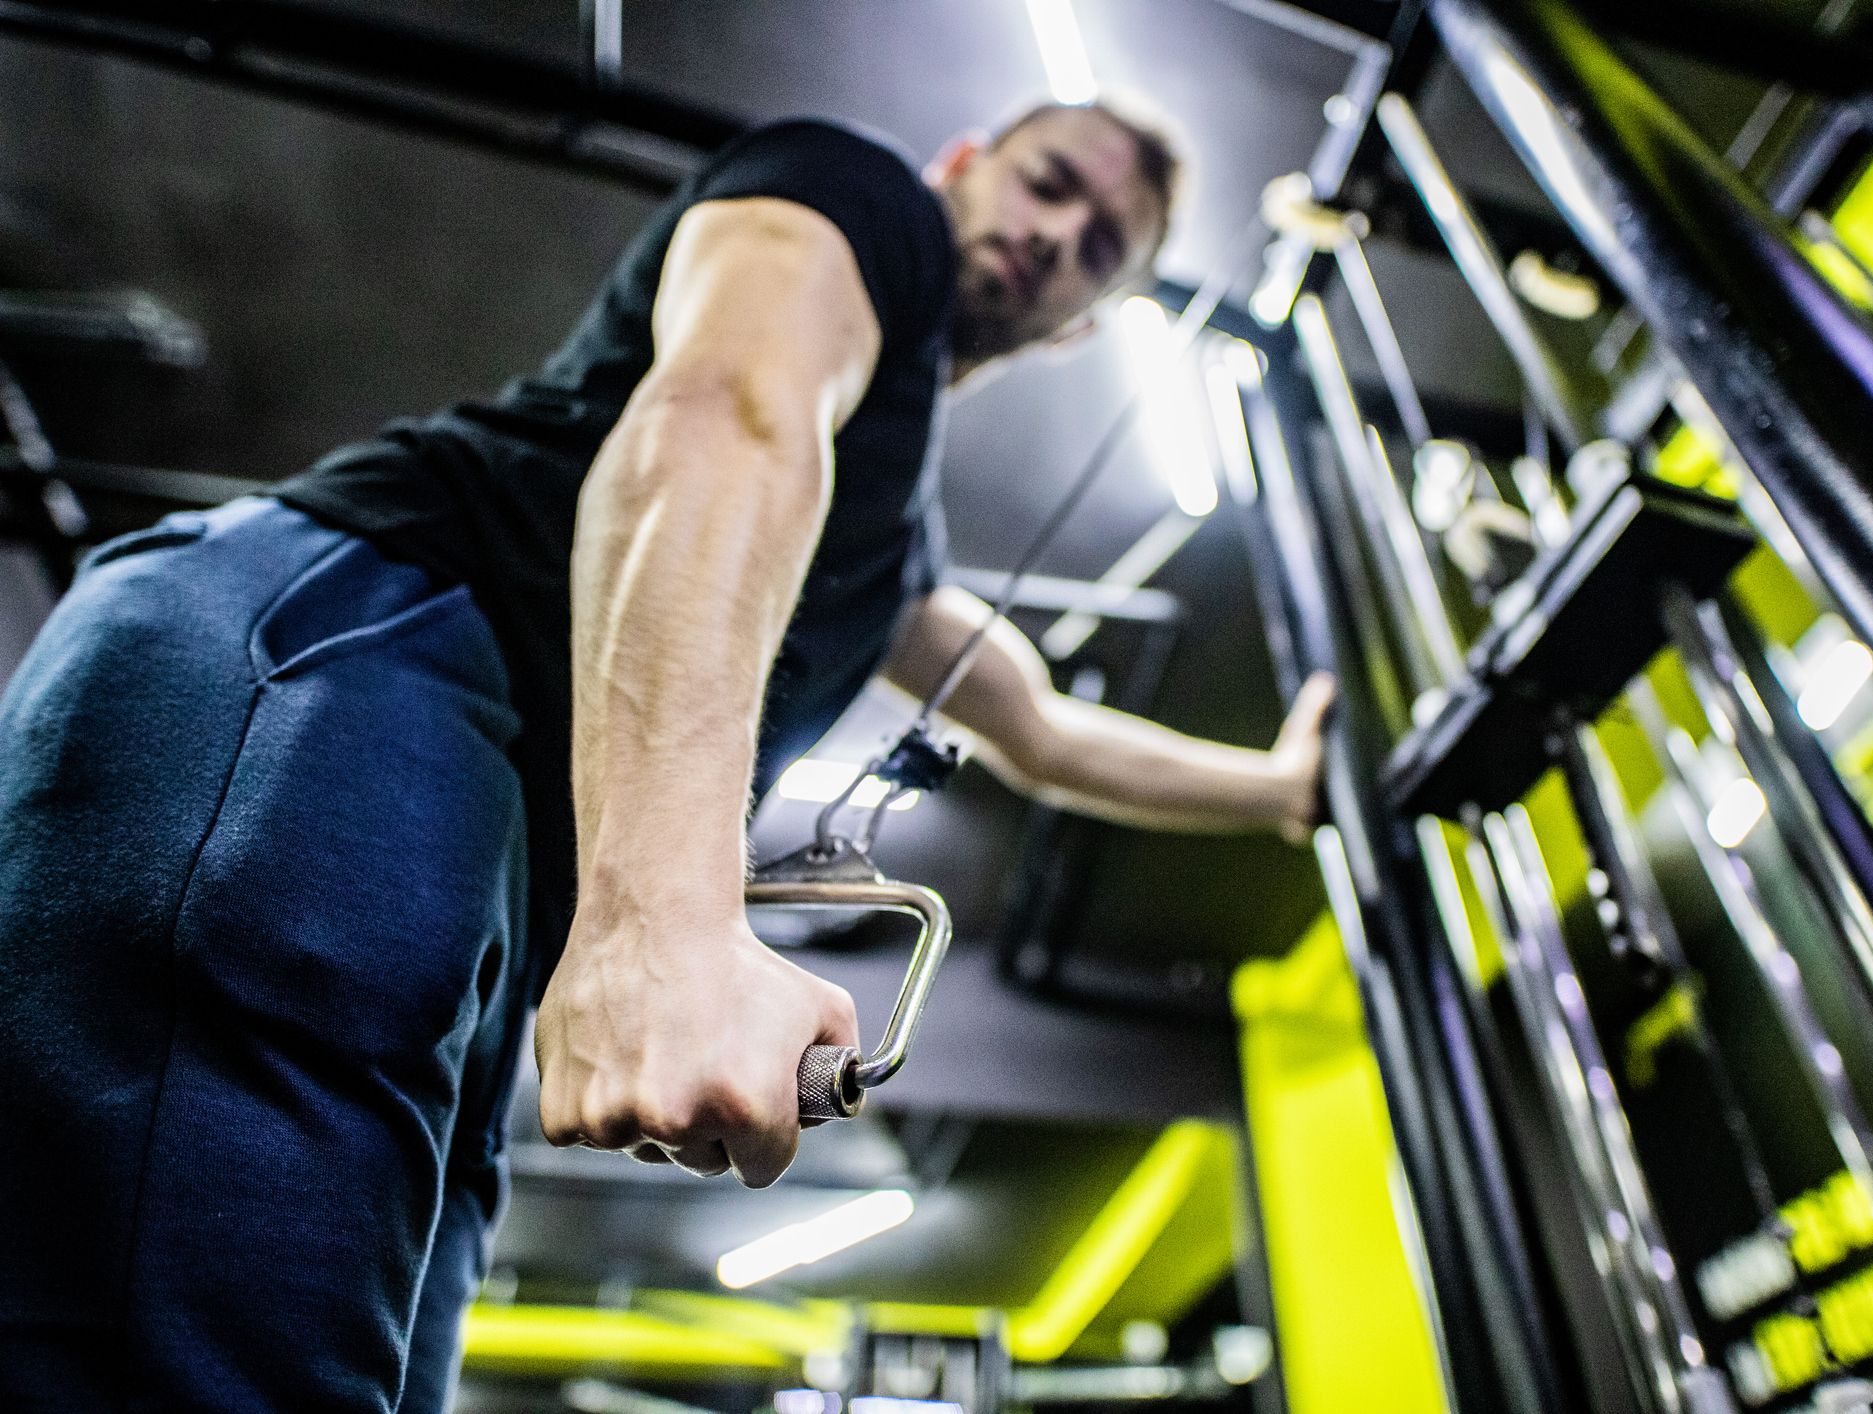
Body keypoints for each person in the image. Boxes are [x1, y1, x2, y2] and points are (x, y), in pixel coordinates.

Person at [0, 101, 1333, 1411]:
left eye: (1100, 244)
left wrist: (1278, 788)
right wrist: (660, 919)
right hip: (339, 639)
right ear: (962, 163)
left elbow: (1041, 730)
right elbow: (725, 412)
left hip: (474, 835)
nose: (1057, 235)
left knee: (380, 1343)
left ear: (1085, 324)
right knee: (202, 1332)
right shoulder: (854, 206)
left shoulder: (892, 552)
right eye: (1049, 184)